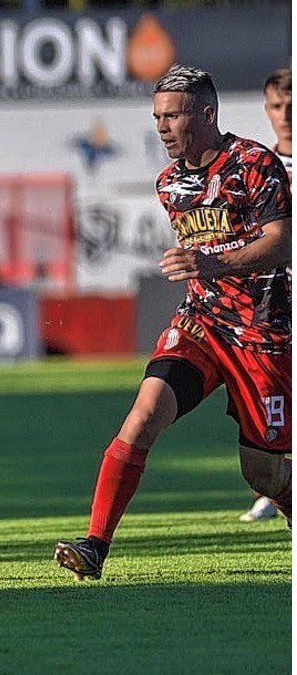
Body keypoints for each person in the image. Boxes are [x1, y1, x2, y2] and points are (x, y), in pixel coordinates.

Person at [54, 65, 291, 580]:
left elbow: (282, 241)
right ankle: (95, 546)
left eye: (174, 115)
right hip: (202, 322)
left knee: (265, 473)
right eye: (157, 116)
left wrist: (213, 263)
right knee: (143, 415)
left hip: (264, 330)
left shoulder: (254, 163)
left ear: (207, 113)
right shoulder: (170, 183)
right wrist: (199, 268)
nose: (162, 127)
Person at [239, 67, 292, 523]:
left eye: (293, 105)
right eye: (278, 106)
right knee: (269, 395)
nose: (287, 115)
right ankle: (278, 482)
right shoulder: (260, 170)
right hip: (274, 296)